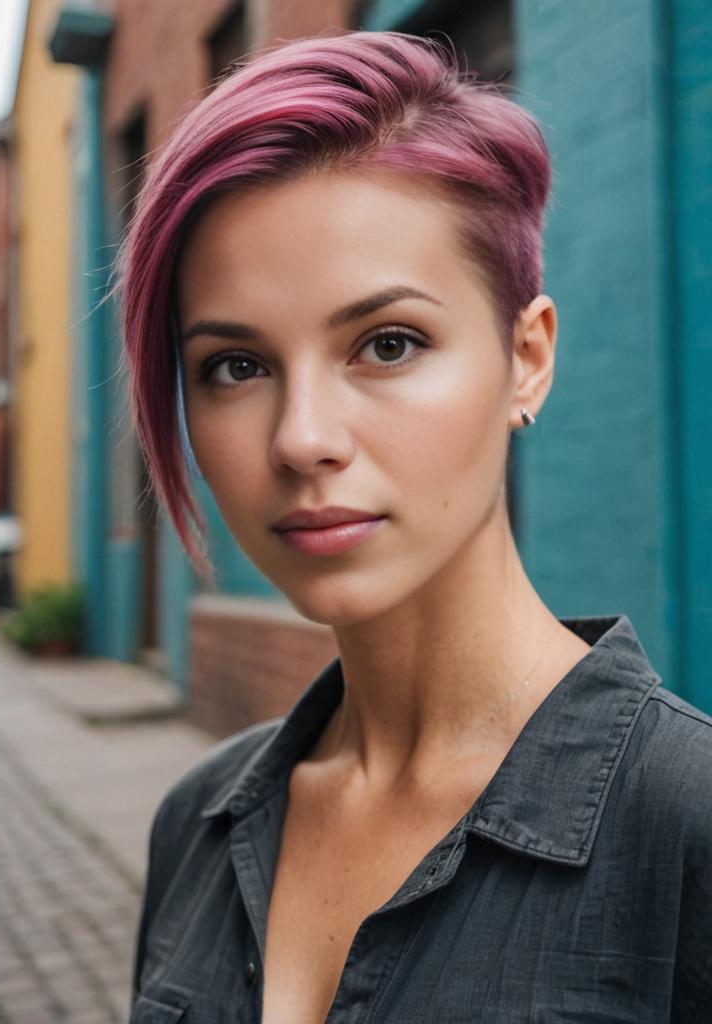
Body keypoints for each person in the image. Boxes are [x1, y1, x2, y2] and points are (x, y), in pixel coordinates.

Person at [118, 30, 712, 1024]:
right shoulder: (195, 824)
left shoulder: (685, 831)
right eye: (235, 364)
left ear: (526, 358)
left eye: (387, 344)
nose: (302, 438)